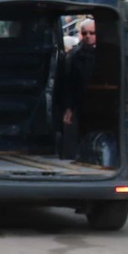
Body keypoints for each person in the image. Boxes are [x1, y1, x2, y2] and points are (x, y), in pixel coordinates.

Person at [55, 18, 99, 160]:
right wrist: (68, 107)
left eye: (92, 33)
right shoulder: (74, 56)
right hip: (79, 103)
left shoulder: (106, 54)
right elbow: (67, 83)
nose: (88, 36)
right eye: (85, 33)